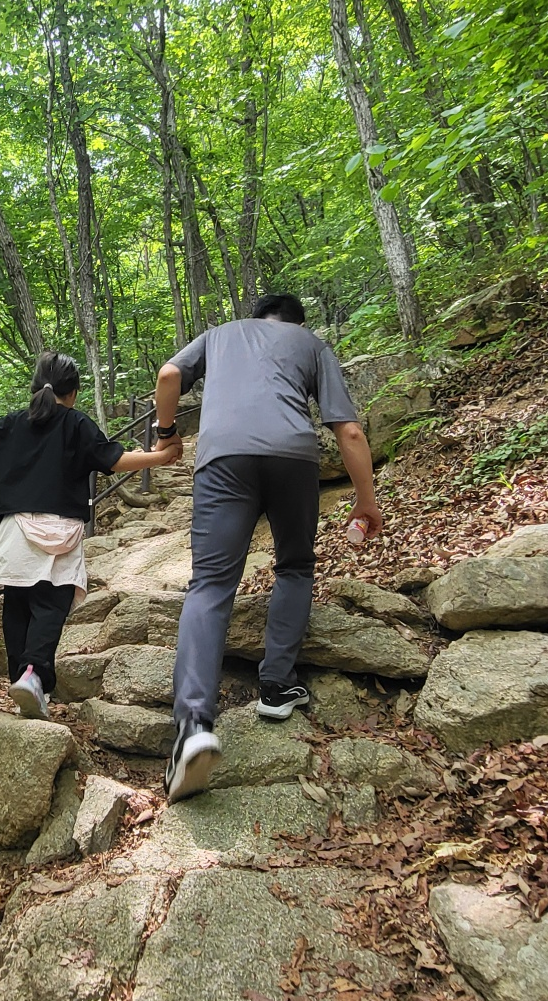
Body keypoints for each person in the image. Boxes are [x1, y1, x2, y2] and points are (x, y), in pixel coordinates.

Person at [153, 293, 383, 802]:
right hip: (293, 458)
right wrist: (365, 500)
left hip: (223, 459)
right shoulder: (311, 344)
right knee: (296, 565)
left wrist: (166, 433)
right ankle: (277, 687)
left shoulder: (219, 334)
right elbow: (347, 428)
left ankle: (192, 726)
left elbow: (169, 377)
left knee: (211, 584)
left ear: (256, 317)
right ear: (297, 323)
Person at [0, 351, 182, 719]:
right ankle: (34, 675)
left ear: (34, 389)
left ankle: (22, 679)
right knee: (50, 604)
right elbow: (114, 459)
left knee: (17, 605)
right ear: (74, 393)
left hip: (15, 531)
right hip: (61, 529)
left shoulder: (12, 424)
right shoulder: (77, 423)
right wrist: (160, 457)